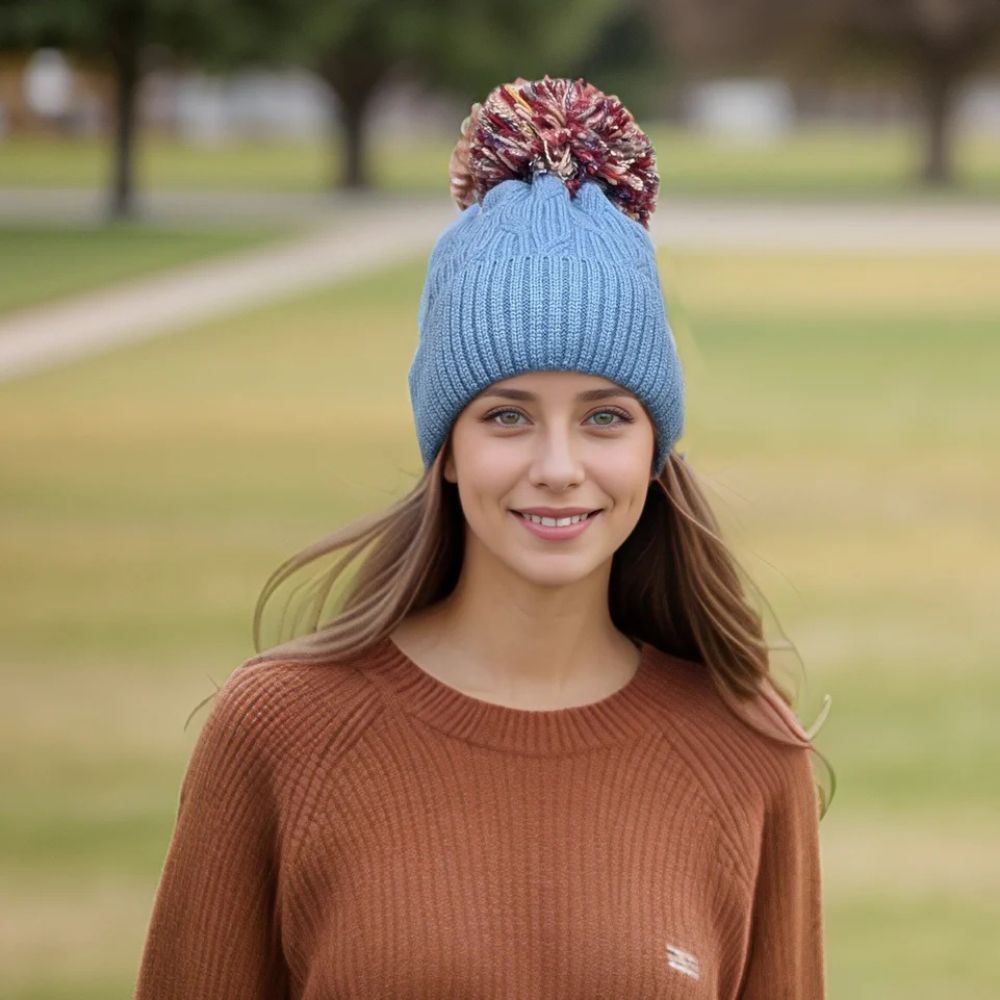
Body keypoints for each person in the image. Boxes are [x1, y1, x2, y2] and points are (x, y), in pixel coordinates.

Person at [133, 75, 833, 999]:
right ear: (447, 452)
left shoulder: (749, 756)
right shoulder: (279, 734)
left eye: (604, 417)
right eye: (507, 416)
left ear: (656, 451)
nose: (557, 464)